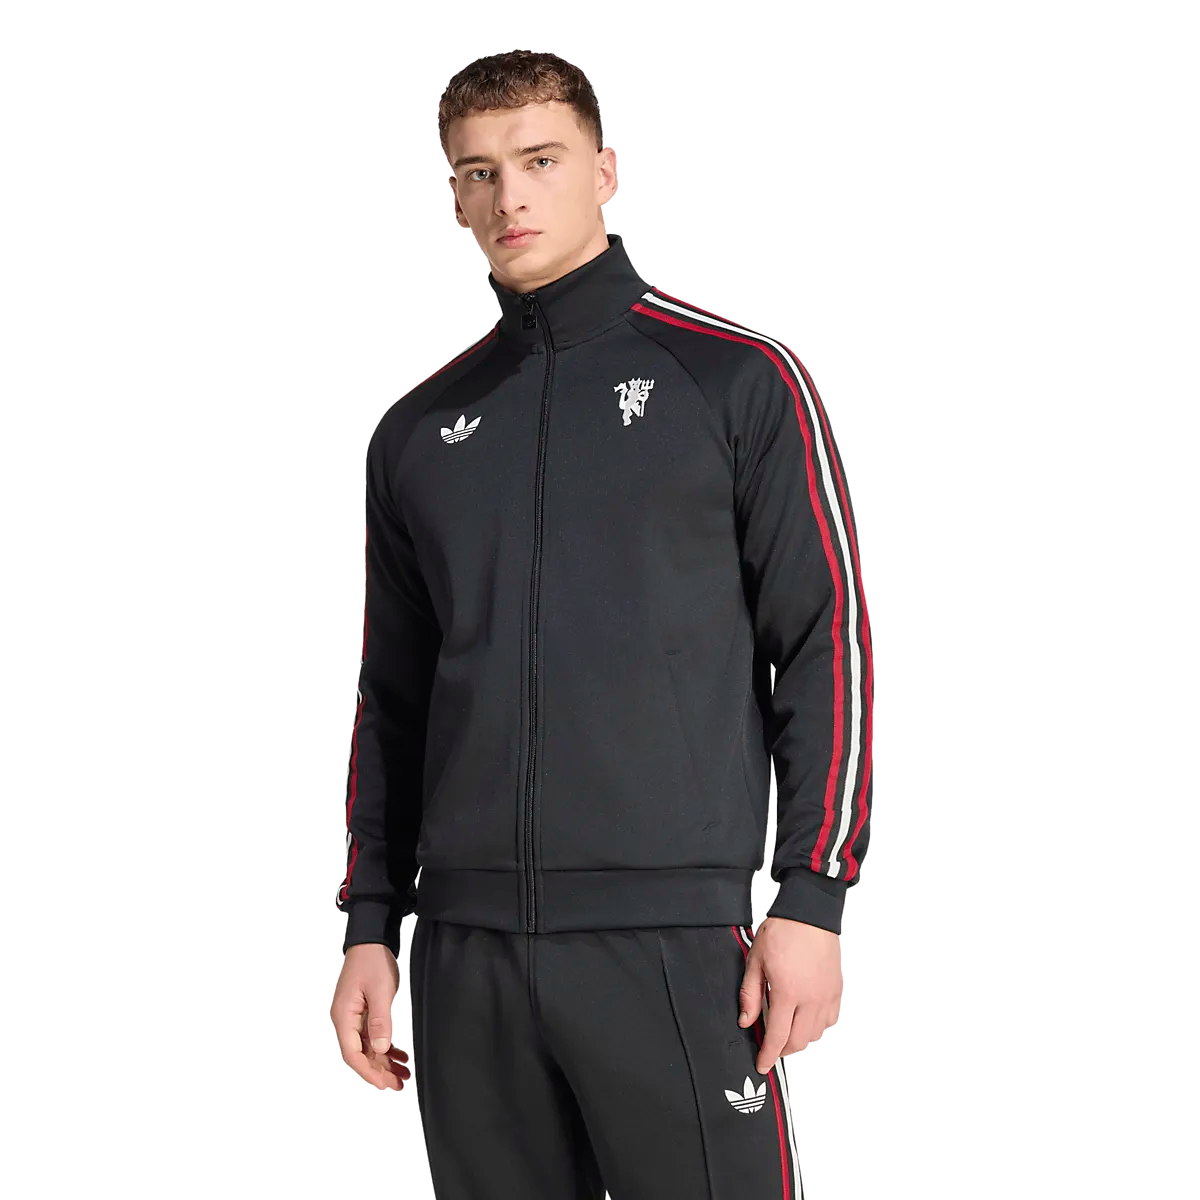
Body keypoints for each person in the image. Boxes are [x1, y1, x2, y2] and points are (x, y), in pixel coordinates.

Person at [330, 49, 873, 1200]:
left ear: (605, 171)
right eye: (478, 173)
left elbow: (824, 646)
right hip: (468, 957)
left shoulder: (737, 381)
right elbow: (394, 701)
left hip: (672, 938)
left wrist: (814, 896)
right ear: (453, 195)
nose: (509, 197)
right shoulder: (418, 432)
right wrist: (369, 925)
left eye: (540, 161)